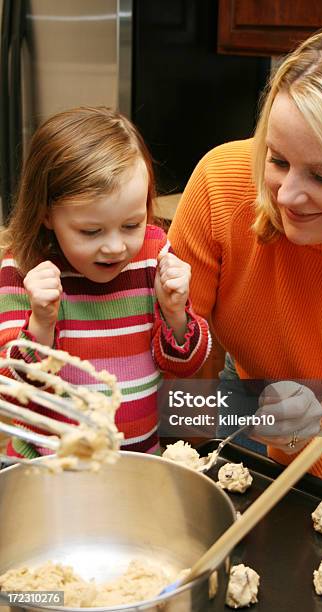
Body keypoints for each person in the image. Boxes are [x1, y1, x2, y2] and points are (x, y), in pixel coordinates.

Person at [168, 22, 322, 510]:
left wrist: (299, 436)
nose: (287, 197)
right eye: (277, 160)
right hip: (254, 386)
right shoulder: (222, 183)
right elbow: (186, 362)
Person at [0, 106, 210, 458]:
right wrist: (40, 322)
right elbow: (10, 389)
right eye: (91, 231)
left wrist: (176, 315)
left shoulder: (152, 253)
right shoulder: (23, 270)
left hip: (139, 457)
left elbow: (187, 365)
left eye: (131, 225)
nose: (115, 247)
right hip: (49, 463)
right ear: (46, 213)